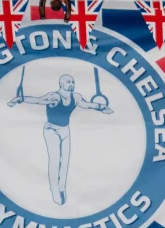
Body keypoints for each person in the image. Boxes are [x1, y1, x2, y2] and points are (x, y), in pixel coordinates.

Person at [8, 70, 113, 205]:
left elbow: (87, 105)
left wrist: (101, 106)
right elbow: (37, 101)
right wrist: (19, 99)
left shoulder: (76, 97)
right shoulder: (54, 97)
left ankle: (62, 187)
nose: (72, 84)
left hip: (65, 130)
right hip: (51, 130)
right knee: (55, 160)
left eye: (73, 82)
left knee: (65, 161)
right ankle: (54, 190)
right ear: (61, 84)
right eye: (68, 82)